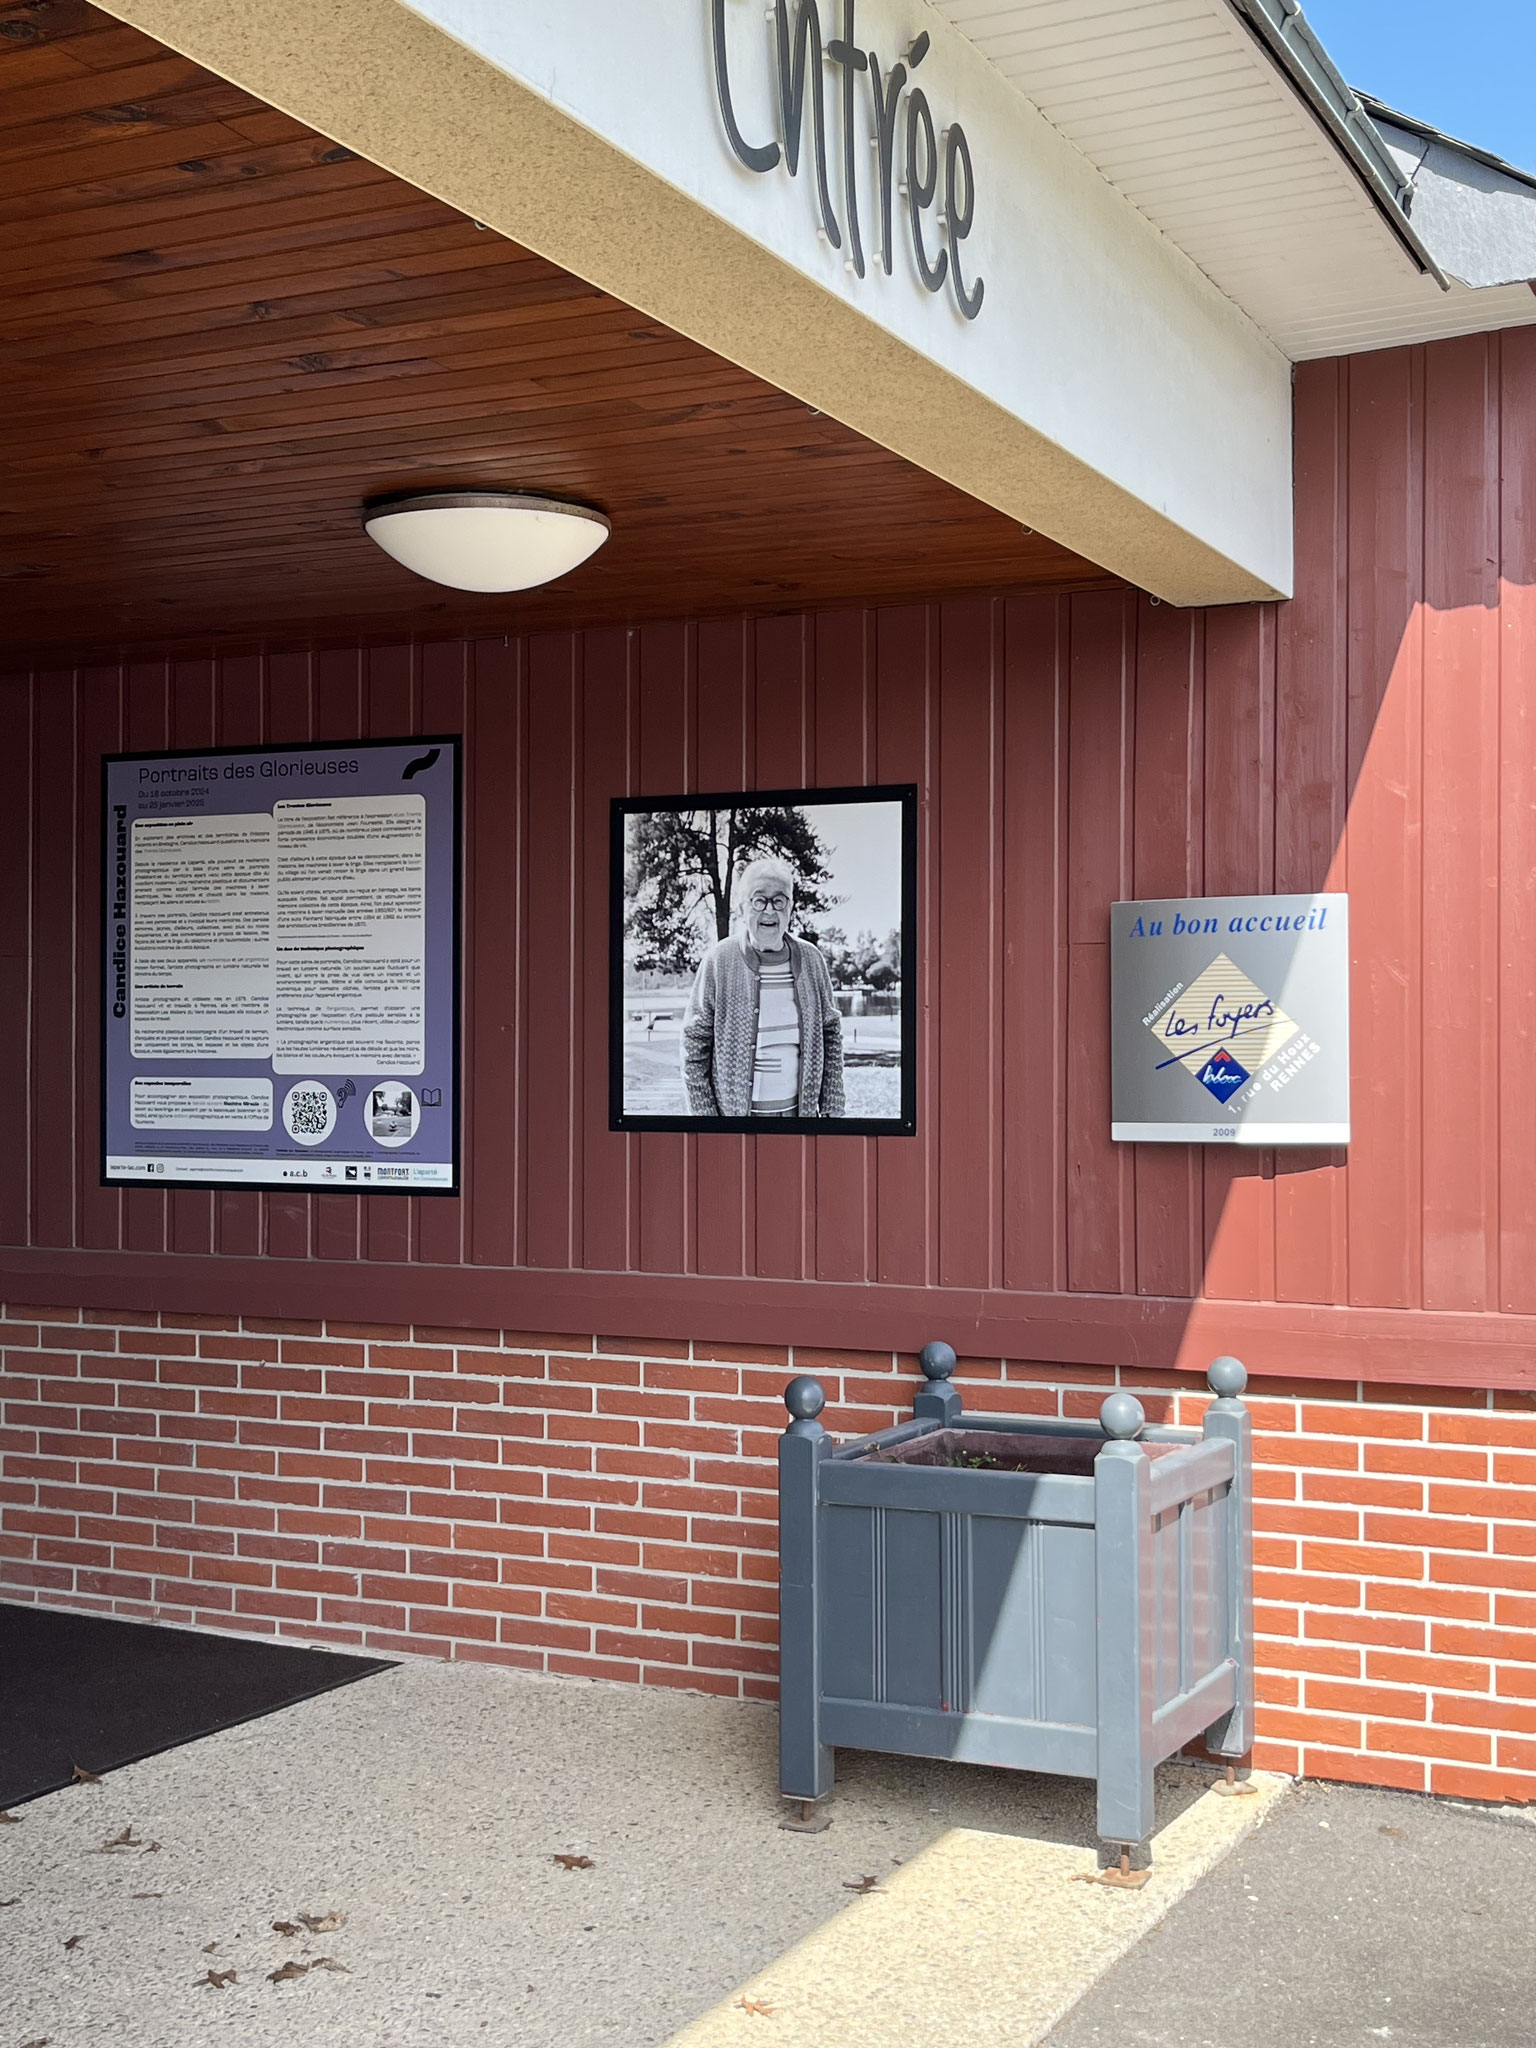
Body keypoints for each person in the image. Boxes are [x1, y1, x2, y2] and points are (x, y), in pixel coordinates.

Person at [680, 857, 845, 1119]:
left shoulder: (812, 960)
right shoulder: (718, 960)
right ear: (743, 908)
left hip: (800, 1119)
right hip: (734, 1123)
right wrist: (708, 1122)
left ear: (790, 907)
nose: (769, 910)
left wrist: (832, 1112)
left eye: (779, 900)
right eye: (759, 900)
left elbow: (831, 1035)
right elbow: (694, 1045)